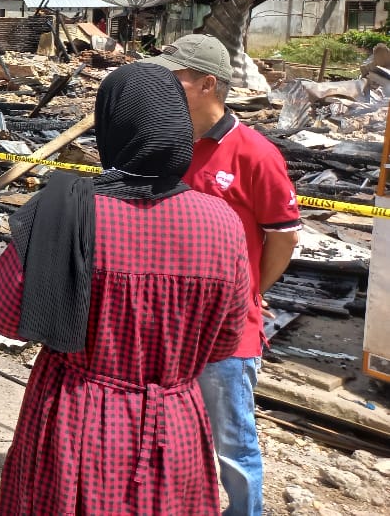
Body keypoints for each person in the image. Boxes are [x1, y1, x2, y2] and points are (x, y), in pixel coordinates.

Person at [0, 62, 251, 515]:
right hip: (177, 426)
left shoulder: (66, 209)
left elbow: (7, 315)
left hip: (74, 423)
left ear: (112, 125)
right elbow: (225, 341)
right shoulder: (223, 223)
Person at [145, 34, 300, 516]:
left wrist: (250, 293)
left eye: (175, 78)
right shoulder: (164, 145)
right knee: (167, 436)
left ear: (207, 84)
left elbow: (284, 237)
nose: (162, 86)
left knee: (232, 446)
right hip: (167, 328)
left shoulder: (254, 154)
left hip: (227, 337)